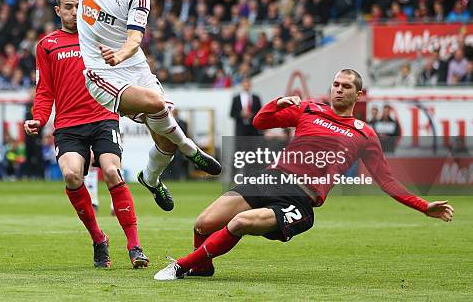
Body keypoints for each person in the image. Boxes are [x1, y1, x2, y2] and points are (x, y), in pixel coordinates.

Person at [154, 69, 454, 280]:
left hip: (300, 199)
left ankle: (180, 267)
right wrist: (277, 103)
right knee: (203, 223)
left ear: (358, 94)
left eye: (346, 86)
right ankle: (203, 266)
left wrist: (423, 205)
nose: (339, 89)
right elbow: (260, 121)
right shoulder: (310, 109)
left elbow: (386, 180)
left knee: (240, 222)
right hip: (270, 179)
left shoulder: (364, 134)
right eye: (336, 84)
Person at [19, 0, 221, 213]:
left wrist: (121, 53)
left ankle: (150, 178)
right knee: (156, 104)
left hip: (131, 63)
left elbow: (136, 36)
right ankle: (192, 149)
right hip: (100, 72)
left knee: (164, 138)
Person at [23, 0, 148, 269]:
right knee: (71, 176)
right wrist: (39, 119)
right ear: (58, 11)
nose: (74, 11)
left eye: (79, 6)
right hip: (68, 125)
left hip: (104, 117)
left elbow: (127, 72)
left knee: (112, 171)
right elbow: (45, 91)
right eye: (68, 6)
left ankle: (134, 246)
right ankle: (99, 239)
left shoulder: (102, 38)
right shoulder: (47, 45)